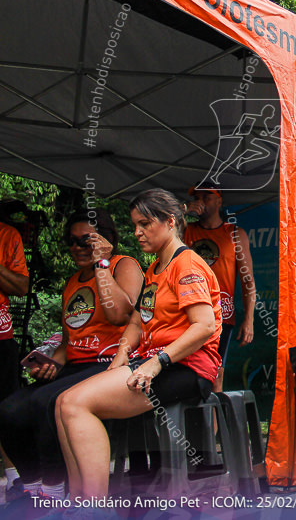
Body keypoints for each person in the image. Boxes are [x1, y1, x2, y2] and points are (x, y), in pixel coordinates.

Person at [54, 189, 222, 500]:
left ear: (170, 222)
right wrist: (120, 355)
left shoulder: (187, 265)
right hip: (150, 361)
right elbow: (135, 321)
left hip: (185, 367)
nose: (137, 233)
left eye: (144, 224)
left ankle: (93, 505)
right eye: (135, 225)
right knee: (63, 402)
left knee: (78, 406)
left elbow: (204, 326)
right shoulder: (155, 267)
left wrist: (155, 363)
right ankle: (77, 502)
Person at [0, 209, 143, 501]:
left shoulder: (122, 265)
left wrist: (102, 262)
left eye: (85, 241)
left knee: (45, 402)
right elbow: (68, 342)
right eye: (72, 241)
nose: (76, 247)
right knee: (9, 408)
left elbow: (121, 316)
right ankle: (31, 484)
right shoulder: (74, 281)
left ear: (105, 240)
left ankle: (53, 490)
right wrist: (51, 365)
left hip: (109, 364)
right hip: (74, 366)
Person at [184, 185, 257, 392]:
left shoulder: (234, 233)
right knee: (186, 369)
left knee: (215, 372)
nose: (201, 201)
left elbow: (247, 280)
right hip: (187, 312)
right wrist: (184, 210)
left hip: (220, 314)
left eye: (206, 197)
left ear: (219, 201)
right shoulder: (185, 230)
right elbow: (163, 229)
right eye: (197, 197)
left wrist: (249, 319)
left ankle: (215, 423)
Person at [0, 218, 29, 494]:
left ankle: (14, 477)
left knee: (5, 405)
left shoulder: (7, 235)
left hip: (0, 335)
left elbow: (21, 287)